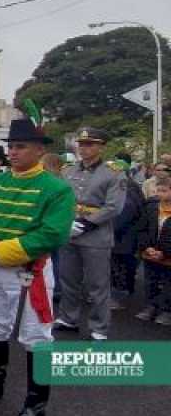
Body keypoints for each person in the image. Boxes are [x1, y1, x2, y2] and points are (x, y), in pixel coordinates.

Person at [0, 111, 74, 416]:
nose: (12, 152)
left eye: (20, 146)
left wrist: (2, 253)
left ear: (40, 150)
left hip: (28, 270)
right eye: (10, 146)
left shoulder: (56, 189)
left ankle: (36, 405)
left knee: (37, 337)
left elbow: (53, 235)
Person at [55, 128, 126, 340]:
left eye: (90, 144)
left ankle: (99, 328)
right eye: (82, 144)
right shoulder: (67, 170)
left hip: (96, 235)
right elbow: (61, 199)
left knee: (97, 285)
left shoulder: (113, 172)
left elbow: (114, 207)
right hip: (69, 231)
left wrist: (86, 224)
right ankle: (69, 318)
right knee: (68, 279)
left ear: (101, 147)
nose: (84, 148)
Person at [134, 174, 171, 325]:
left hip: (167, 255)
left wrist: (165, 252)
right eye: (158, 190)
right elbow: (141, 229)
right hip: (150, 252)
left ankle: (167, 310)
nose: (160, 194)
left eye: (164, 190)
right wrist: (147, 247)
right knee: (151, 281)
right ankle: (151, 306)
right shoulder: (151, 207)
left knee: (168, 283)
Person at [109, 158, 144, 310]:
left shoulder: (127, 188)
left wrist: (109, 228)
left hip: (124, 237)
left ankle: (120, 297)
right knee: (116, 266)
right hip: (121, 236)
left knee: (121, 267)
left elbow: (125, 212)